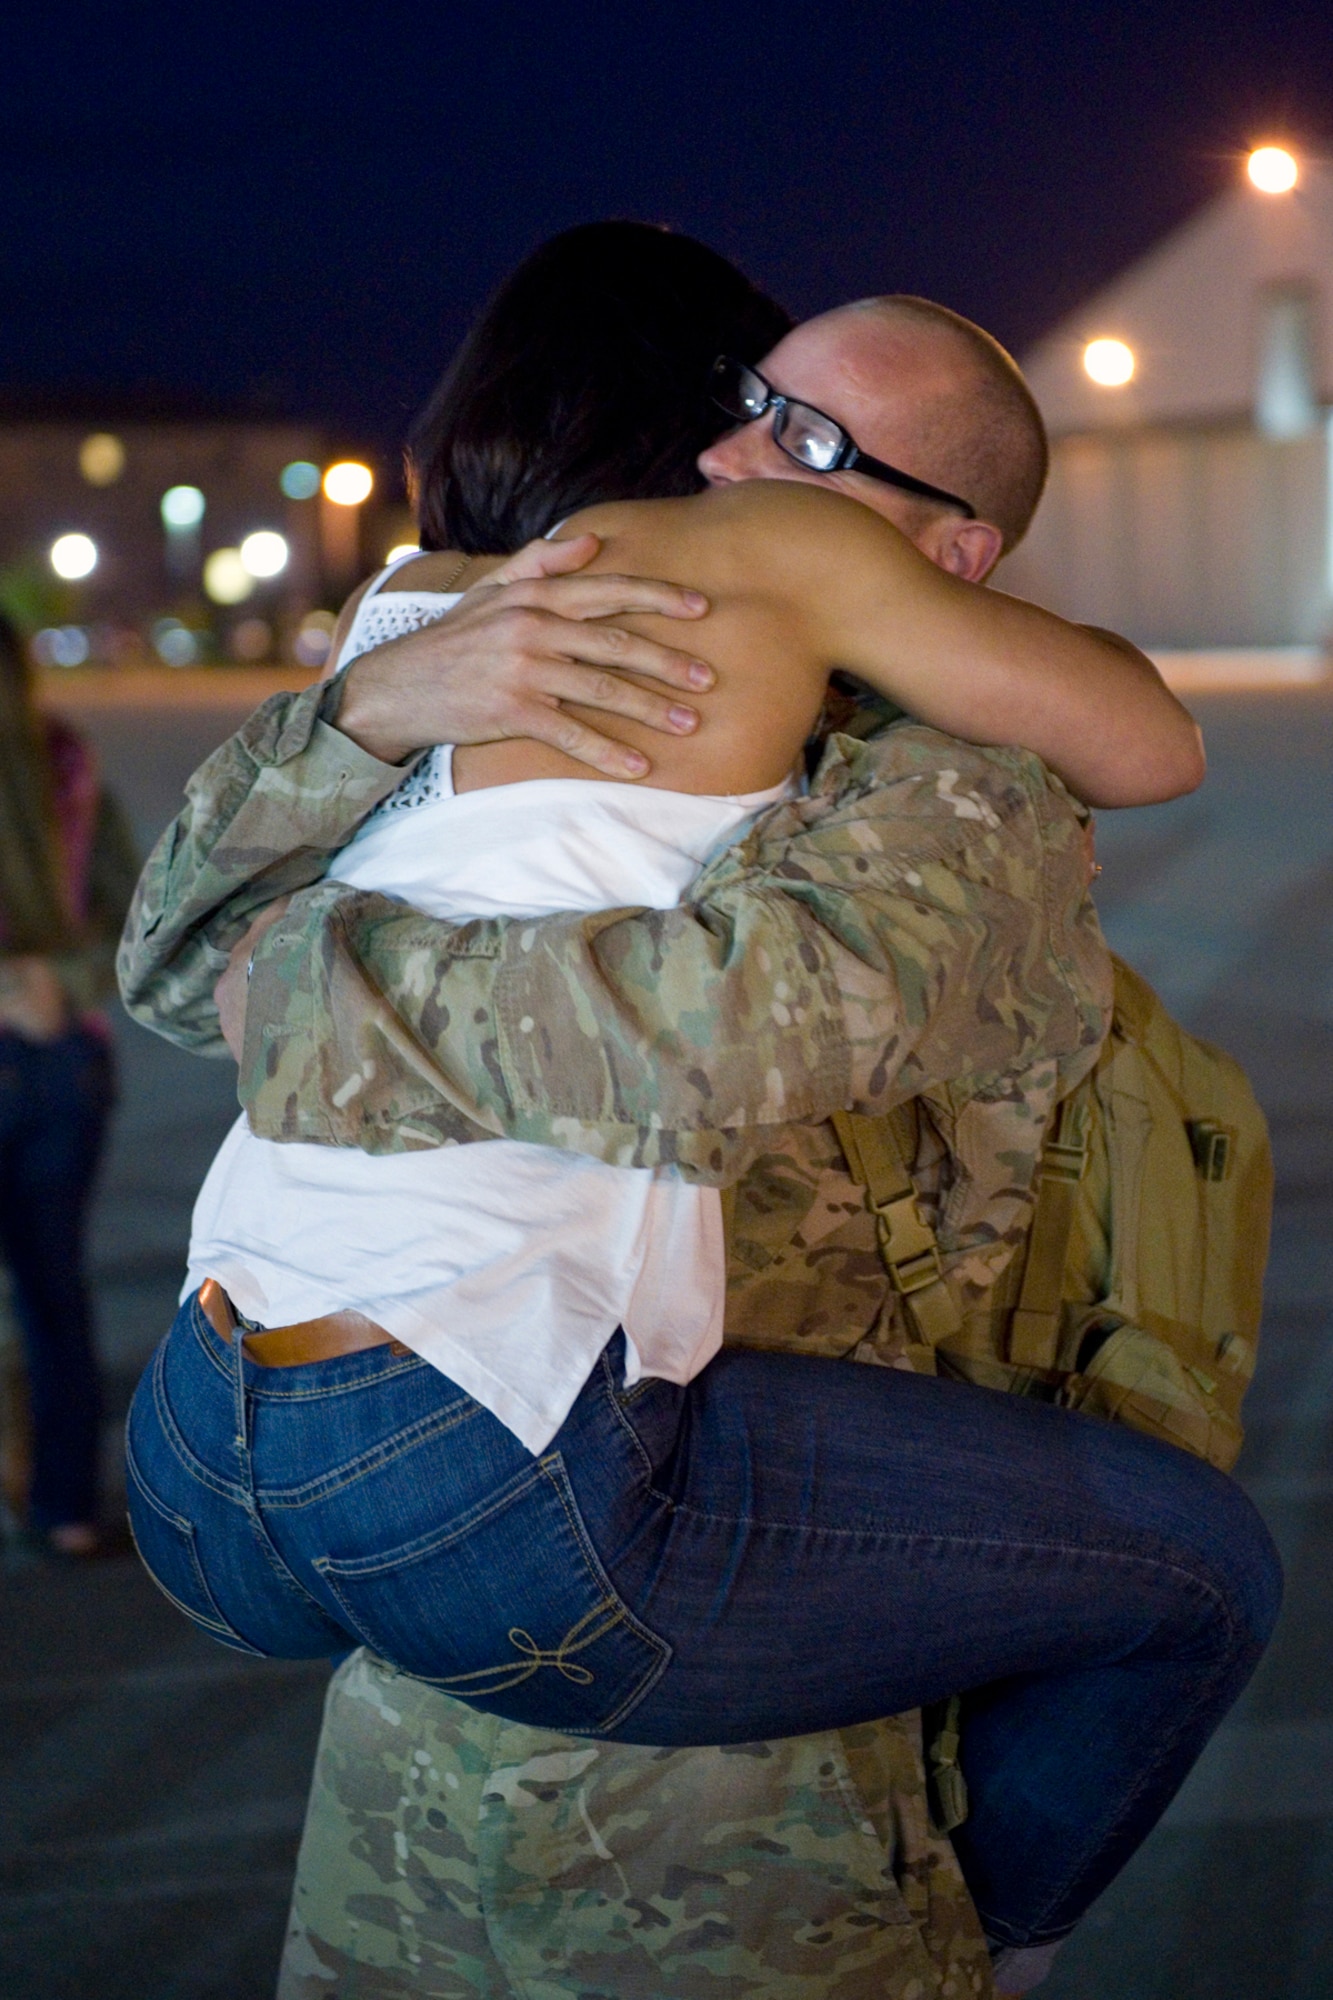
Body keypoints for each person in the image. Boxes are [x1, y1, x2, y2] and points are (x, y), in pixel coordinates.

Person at [118, 228, 1273, 1994]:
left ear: (951, 554)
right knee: (1194, 1576)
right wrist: (366, 712)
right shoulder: (553, 672)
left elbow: (713, 1038)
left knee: (1196, 1573)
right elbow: (165, 953)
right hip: (417, 1787)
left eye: (804, 443)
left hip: (729, 1831)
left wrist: (315, 993)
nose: (728, 461)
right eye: (739, 409)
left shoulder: (951, 779)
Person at [0, 612, 138, 1555]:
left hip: (49, 1062)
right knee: (54, 1294)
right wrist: (58, 981)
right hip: (63, 1062)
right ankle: (65, 1509)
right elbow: (137, 919)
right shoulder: (67, 767)